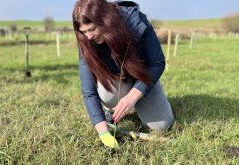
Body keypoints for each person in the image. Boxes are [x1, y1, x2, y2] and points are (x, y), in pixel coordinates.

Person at [72, 0, 174, 148]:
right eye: (84, 31)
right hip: (117, 79)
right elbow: (89, 91)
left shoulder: (136, 23)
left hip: (143, 76)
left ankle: (145, 97)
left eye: (91, 29)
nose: (88, 36)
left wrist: (132, 97)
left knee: (161, 125)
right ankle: (110, 109)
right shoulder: (86, 40)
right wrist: (103, 133)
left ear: (105, 20)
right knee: (107, 95)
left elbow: (157, 63)